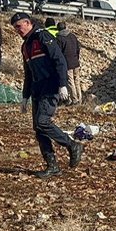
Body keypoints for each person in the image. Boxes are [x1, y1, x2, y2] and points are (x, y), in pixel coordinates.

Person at [11, 12, 83, 176]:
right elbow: (28, 73)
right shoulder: (25, 46)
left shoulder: (43, 37)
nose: (17, 30)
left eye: (19, 26)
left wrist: (63, 84)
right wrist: (25, 96)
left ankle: (72, 145)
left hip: (51, 86)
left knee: (43, 122)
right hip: (37, 89)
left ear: (28, 23)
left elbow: (59, 60)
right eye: (15, 28)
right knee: (38, 128)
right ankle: (52, 166)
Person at [57, 20, 82, 105]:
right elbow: (78, 48)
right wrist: (77, 58)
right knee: (77, 81)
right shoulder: (73, 36)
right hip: (76, 62)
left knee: (71, 82)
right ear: (65, 27)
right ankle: (80, 98)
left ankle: (74, 100)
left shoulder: (59, 38)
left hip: (67, 63)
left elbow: (59, 53)